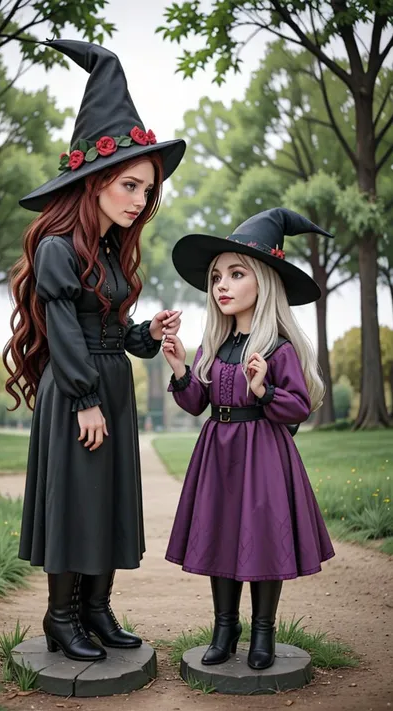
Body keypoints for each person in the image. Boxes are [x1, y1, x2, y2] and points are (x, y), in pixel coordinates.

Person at [3, 39, 185, 663]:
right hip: (79, 390)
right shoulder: (59, 247)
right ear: (96, 182)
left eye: (146, 190)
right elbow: (63, 328)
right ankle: (61, 618)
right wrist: (83, 400)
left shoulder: (109, 254)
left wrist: (147, 334)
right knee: (78, 501)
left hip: (111, 385)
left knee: (108, 498)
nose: (140, 201)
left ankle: (98, 610)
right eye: (129, 185)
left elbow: (114, 330)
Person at [162, 207, 335, 670]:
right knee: (219, 535)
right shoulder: (215, 346)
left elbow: (297, 406)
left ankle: (263, 632)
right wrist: (181, 367)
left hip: (262, 456)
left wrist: (265, 390)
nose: (222, 284)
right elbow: (197, 401)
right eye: (217, 275)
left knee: (259, 539)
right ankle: (225, 628)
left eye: (236, 274)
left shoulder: (277, 347)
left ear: (263, 281)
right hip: (216, 454)